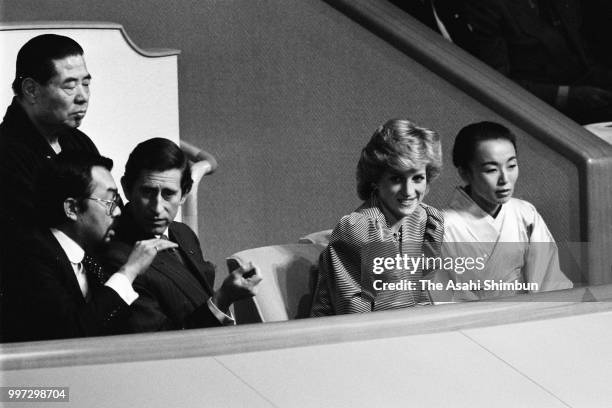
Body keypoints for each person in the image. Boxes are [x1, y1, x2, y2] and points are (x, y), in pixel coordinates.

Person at [2, 152, 174, 342]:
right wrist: (129, 271)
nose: (117, 211)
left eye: (117, 202)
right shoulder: (30, 258)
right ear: (72, 209)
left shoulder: (91, 258)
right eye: (109, 202)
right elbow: (70, 336)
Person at [102, 138, 261, 332]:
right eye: (147, 192)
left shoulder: (183, 233)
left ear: (184, 194)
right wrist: (223, 298)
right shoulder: (117, 257)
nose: (157, 208)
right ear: (127, 188)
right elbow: (162, 340)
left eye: (168, 194)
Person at [310, 119, 444, 316]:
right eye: (396, 178)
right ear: (376, 180)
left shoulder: (426, 220)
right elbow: (353, 313)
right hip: (351, 338)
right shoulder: (358, 229)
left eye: (417, 178)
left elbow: (422, 297)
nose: (409, 191)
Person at [442, 121, 573, 300]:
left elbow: (549, 282)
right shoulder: (442, 228)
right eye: (491, 170)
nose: (505, 178)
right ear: (465, 173)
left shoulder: (525, 214)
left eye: (511, 166)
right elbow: (444, 300)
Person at [0, 34, 97, 232]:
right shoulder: (6, 155)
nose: (83, 97)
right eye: (69, 86)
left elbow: (110, 210)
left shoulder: (80, 143)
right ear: (31, 89)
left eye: (86, 84)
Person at [463, 0, 612, 124]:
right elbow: (498, 84)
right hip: (544, 111)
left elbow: (586, 49)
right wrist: (567, 95)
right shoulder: (488, 5)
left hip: (591, 91)